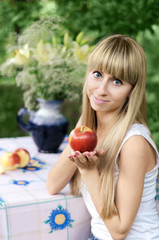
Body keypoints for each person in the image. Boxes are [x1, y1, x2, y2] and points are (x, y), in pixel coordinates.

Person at [46, 34, 159, 240]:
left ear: (131, 92)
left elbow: (120, 230)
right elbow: (53, 184)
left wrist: (89, 172)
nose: (101, 89)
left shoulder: (134, 143)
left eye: (117, 81)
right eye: (97, 74)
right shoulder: (89, 126)